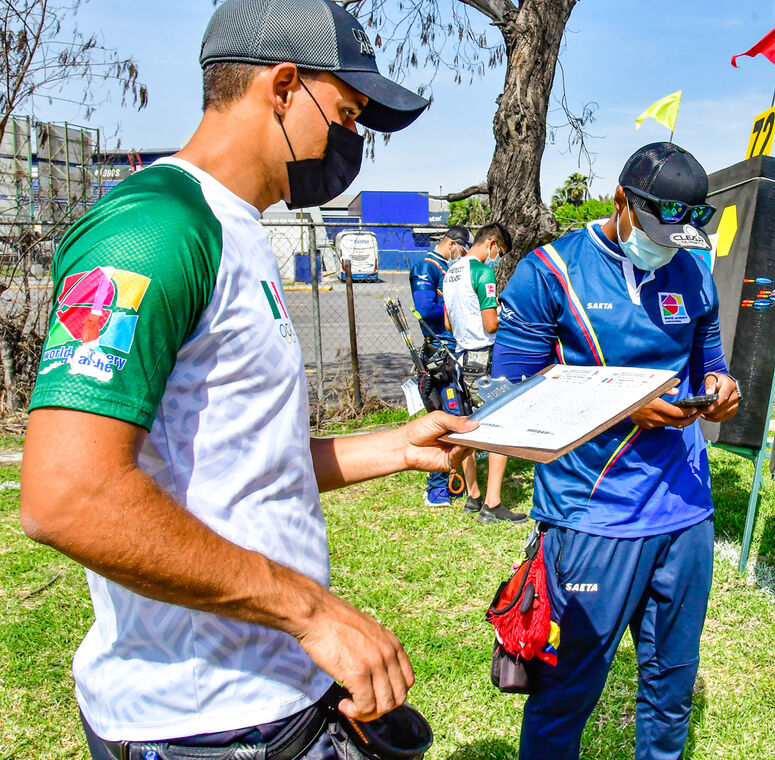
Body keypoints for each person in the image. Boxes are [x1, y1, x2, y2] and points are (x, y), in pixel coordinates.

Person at [18, 1, 477, 758]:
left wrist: (394, 447)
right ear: (285, 87)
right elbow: (66, 496)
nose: (353, 140)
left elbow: (239, 462)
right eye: (349, 113)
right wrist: (313, 614)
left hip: (273, 698)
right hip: (202, 721)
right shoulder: (156, 227)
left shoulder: (239, 230)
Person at [492, 142, 740, 760]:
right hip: (592, 516)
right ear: (622, 200)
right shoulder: (551, 272)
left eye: (683, 230)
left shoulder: (693, 272)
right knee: (564, 695)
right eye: (659, 227)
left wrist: (721, 386)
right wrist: (625, 409)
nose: (669, 242)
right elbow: (512, 397)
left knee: (670, 689)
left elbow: (709, 361)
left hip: (684, 513)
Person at [442, 222, 527, 525]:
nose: (497, 258)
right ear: (491, 243)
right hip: (484, 355)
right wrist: (509, 317)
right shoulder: (483, 271)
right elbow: (491, 324)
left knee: (468, 427)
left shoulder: (451, 271)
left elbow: (449, 324)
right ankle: (493, 504)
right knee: (501, 426)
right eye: (499, 252)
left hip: (461, 357)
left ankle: (473, 496)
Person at [410, 224, 474, 507]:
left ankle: (452, 479)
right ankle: (437, 489)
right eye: (462, 251)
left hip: (456, 347)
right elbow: (424, 308)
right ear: (452, 244)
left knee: (460, 414)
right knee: (446, 417)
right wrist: (455, 306)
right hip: (439, 350)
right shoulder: (427, 266)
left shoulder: (449, 268)